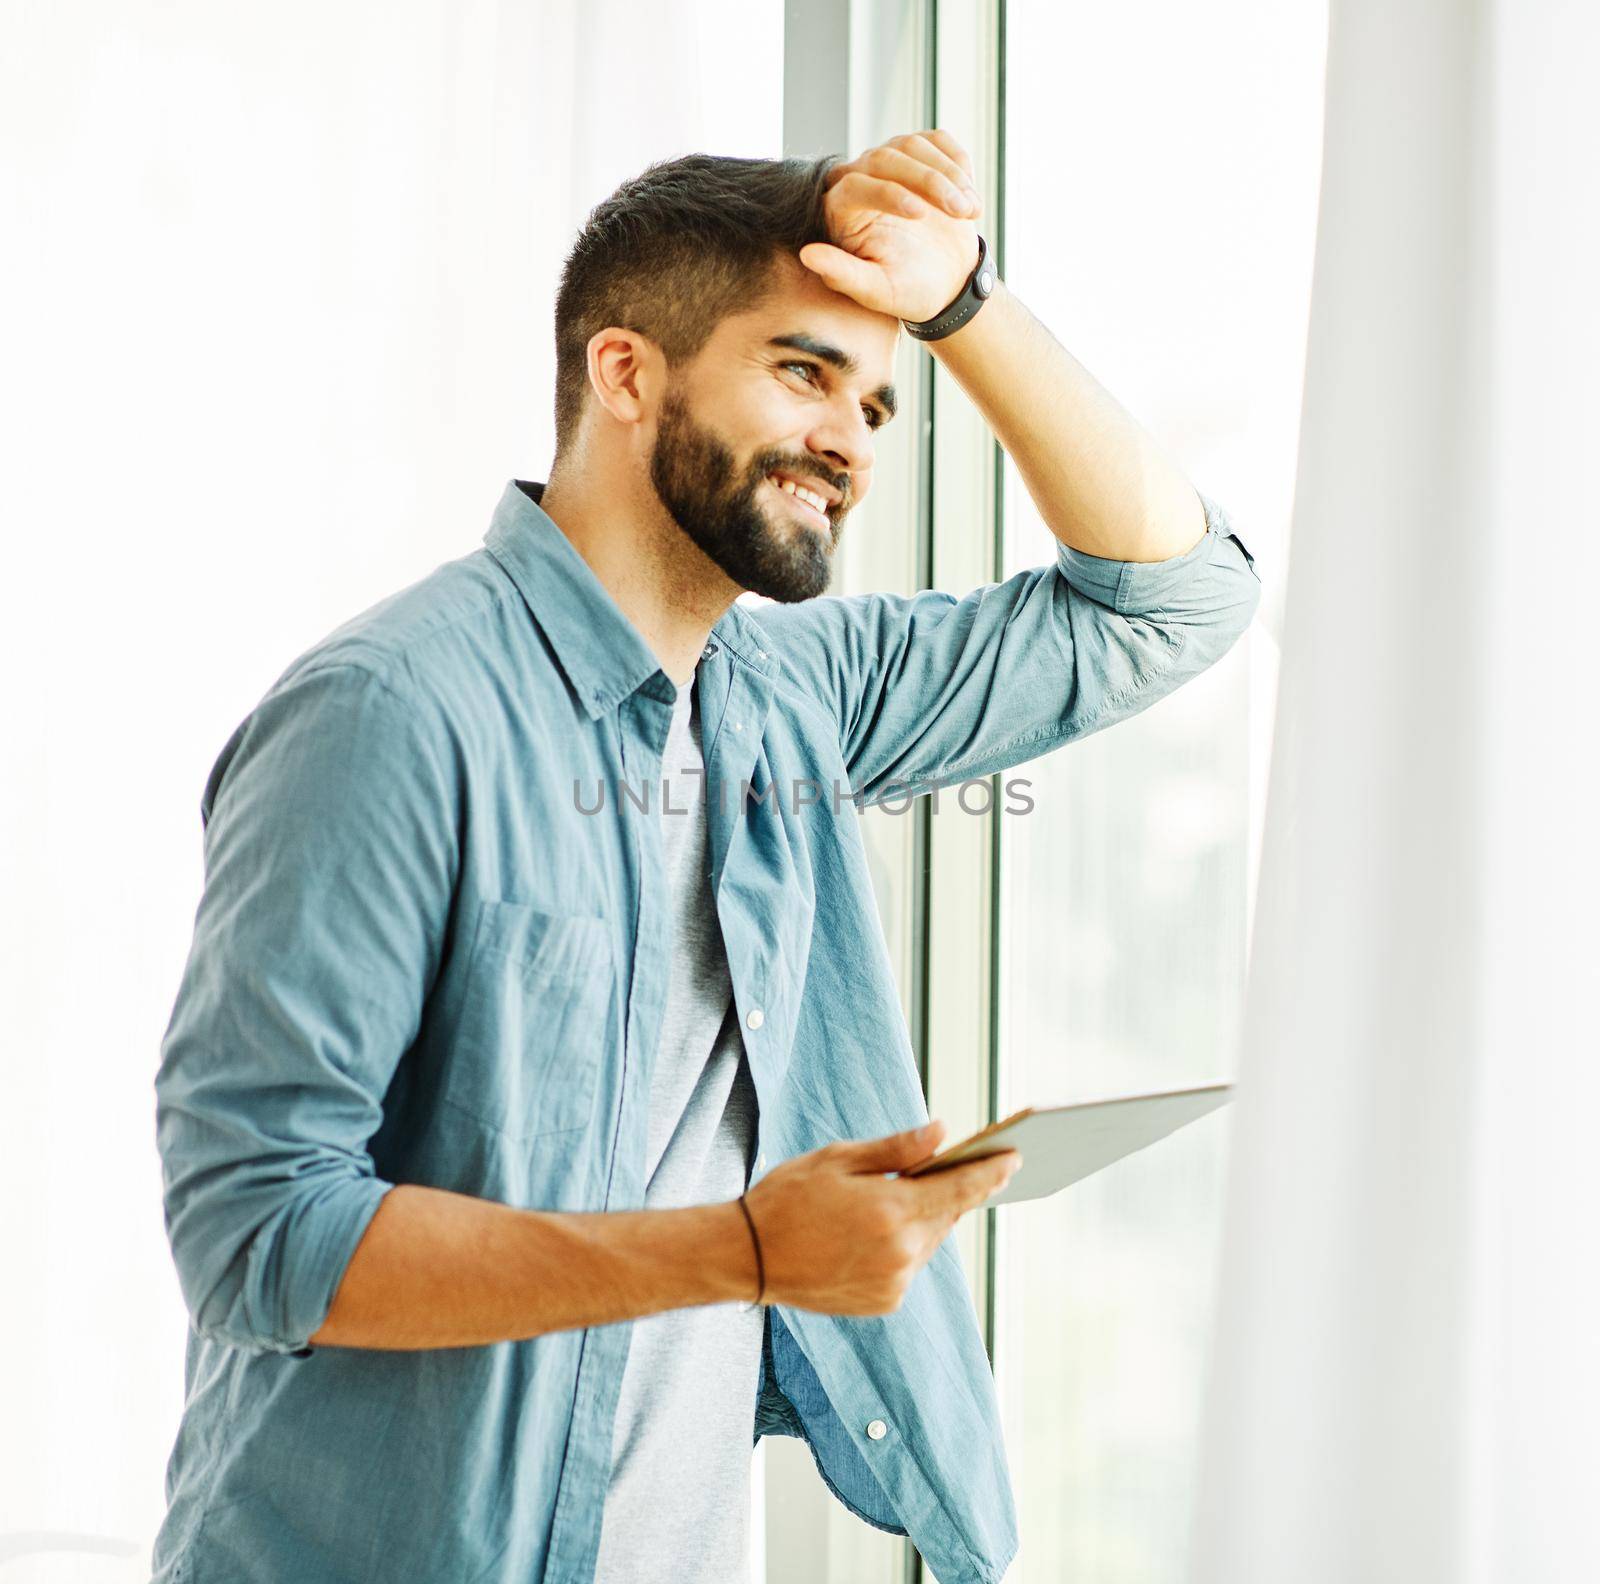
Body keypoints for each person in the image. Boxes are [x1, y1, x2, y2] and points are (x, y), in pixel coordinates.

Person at [150, 131, 1260, 1584]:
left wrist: (962, 304)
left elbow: (1170, 606)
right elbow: (256, 1233)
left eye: (879, 402)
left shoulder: (796, 694)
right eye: (804, 373)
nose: (853, 440)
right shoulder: (390, 715)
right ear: (626, 373)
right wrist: (741, 1253)